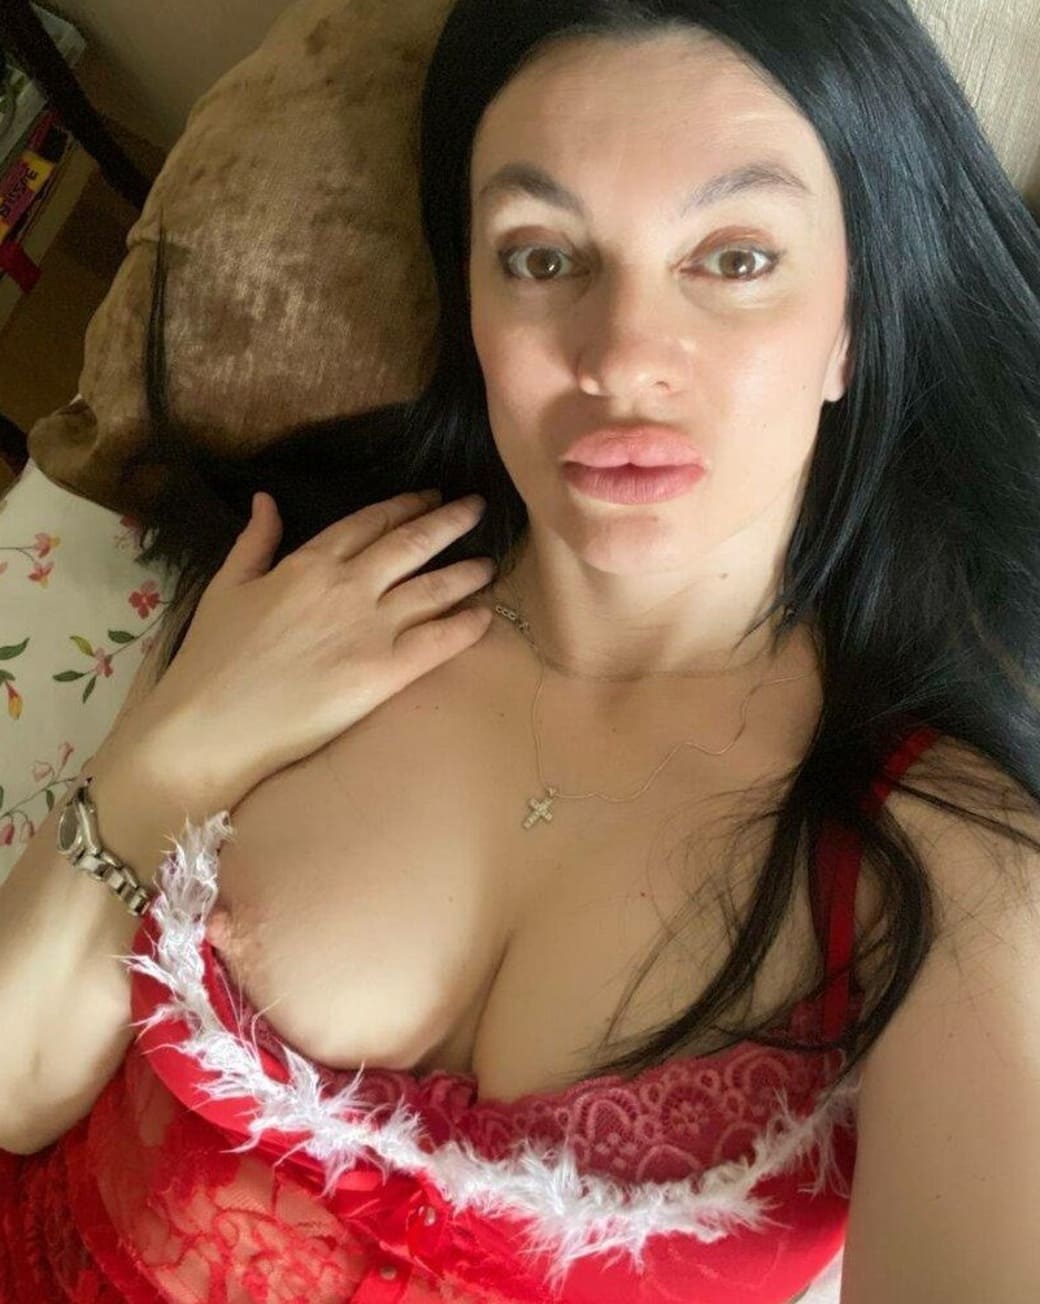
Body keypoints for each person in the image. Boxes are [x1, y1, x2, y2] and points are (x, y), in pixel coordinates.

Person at [3, 1, 1040, 1300]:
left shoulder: (951, 863)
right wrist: (168, 761)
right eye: (543, 258)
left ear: (855, 321)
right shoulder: (307, 583)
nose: (622, 362)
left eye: (733, 259)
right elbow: (17, 1095)